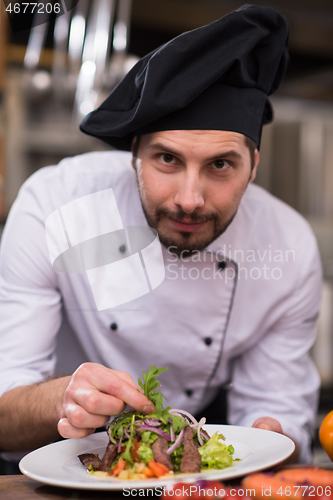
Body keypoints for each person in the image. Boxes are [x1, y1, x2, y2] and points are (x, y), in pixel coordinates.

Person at [0, 5, 322, 464]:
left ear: (255, 164)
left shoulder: (288, 247)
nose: (190, 199)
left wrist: (269, 435)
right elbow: (3, 407)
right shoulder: (54, 206)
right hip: (59, 457)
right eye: (167, 159)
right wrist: (61, 401)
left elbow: (275, 405)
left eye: (220, 165)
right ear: (134, 152)